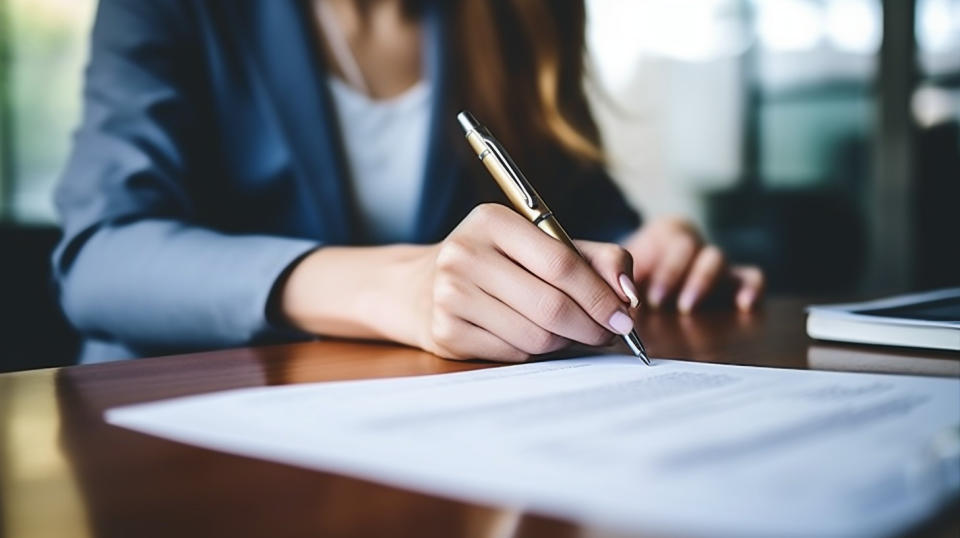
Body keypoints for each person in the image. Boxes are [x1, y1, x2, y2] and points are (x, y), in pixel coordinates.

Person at [54, 0, 764, 364]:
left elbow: (575, 211)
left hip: (438, 430)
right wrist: (393, 288)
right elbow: (100, 258)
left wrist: (644, 249)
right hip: (181, 430)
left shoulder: (523, 12)